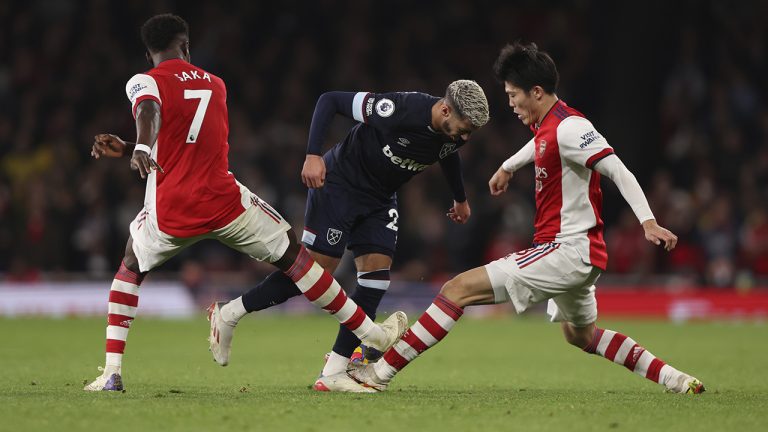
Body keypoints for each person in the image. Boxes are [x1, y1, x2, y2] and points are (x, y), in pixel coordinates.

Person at [335, 42, 706, 394]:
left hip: (565, 250)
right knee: (581, 336)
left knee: (455, 290)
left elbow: (617, 169)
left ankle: (377, 374)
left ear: (537, 91)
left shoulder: (572, 128)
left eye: (513, 95)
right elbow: (541, 143)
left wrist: (648, 221)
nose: (510, 103)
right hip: (581, 255)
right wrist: (508, 166)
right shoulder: (550, 126)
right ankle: (676, 379)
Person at [83, 14, 407, 392]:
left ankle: (112, 373)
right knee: (298, 259)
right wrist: (132, 147)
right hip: (225, 204)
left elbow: (150, 111)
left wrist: (135, 147)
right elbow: (185, 137)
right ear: (186, 46)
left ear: (148, 52)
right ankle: (372, 335)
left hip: (172, 212)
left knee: (130, 267)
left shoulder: (144, 81)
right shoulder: (216, 85)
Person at [207, 80, 490, 391]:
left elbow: (447, 151)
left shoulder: (456, 132)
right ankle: (229, 312)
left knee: (376, 280)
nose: (465, 137)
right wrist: (313, 155)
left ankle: (334, 371)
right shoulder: (401, 108)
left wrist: (459, 197)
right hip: (340, 185)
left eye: (470, 132)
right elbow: (330, 101)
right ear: (445, 109)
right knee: (316, 272)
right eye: (464, 129)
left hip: (380, 198)